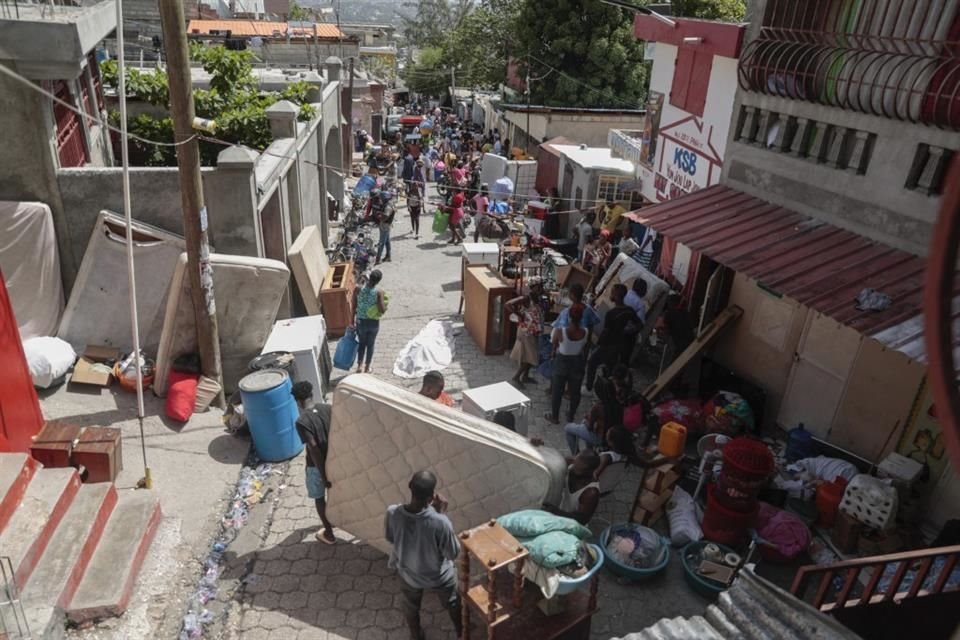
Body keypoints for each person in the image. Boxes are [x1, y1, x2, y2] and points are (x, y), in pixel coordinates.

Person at [385, 471, 463, 640]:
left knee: (410, 607)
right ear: (431, 497)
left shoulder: (392, 512)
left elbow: (391, 538)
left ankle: (416, 635)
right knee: (453, 602)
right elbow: (452, 553)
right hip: (438, 577)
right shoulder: (440, 522)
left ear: (409, 486)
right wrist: (439, 513)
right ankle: (462, 632)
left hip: (408, 573)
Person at [292, 381, 336, 544]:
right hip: (334, 459)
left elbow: (313, 449)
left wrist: (323, 476)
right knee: (337, 493)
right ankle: (339, 520)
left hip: (317, 467)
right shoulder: (327, 408)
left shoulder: (302, 421)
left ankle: (329, 534)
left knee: (319, 498)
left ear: (297, 401)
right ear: (311, 394)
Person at [586, 284, 638, 391]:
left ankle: (588, 387)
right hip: (619, 346)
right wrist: (627, 332)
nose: (611, 294)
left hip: (608, 345)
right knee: (610, 368)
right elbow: (639, 324)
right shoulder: (629, 310)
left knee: (592, 362)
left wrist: (598, 343)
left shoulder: (612, 313)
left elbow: (606, 331)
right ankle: (611, 388)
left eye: (612, 292)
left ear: (616, 295)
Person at [545, 303, 588, 425]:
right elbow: (584, 346)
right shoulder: (585, 332)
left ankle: (555, 416)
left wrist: (554, 352)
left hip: (562, 361)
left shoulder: (560, 331)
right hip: (577, 362)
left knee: (557, 390)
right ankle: (571, 415)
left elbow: (553, 342)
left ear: (569, 316)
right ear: (581, 317)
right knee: (575, 392)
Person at [543, 449, 602, 525]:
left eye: (579, 469)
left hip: (572, 523)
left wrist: (556, 511)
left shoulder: (591, 493)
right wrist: (539, 448)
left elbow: (582, 520)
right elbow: (552, 462)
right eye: (575, 463)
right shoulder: (572, 464)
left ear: (590, 471)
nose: (574, 468)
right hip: (558, 511)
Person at [506, 278, 544, 388]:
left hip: (533, 331)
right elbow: (508, 304)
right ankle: (517, 377)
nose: (541, 289)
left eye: (541, 286)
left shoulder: (537, 298)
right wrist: (519, 315)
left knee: (530, 355)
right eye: (539, 287)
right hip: (526, 332)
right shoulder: (526, 298)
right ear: (533, 287)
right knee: (530, 356)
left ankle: (525, 376)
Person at [352, 269, 387, 373]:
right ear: (378, 281)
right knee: (370, 344)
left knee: (361, 343)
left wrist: (351, 321)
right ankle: (367, 368)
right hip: (373, 323)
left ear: (369, 276)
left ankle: (359, 366)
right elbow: (382, 309)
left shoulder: (358, 289)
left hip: (360, 321)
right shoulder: (379, 292)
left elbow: (353, 306)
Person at [375, 195, 396, 264]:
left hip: (385, 225)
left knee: (381, 242)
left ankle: (378, 259)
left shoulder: (388, 207)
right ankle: (388, 256)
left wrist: (379, 217)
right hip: (387, 225)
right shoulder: (390, 203)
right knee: (387, 241)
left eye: (381, 199)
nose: (380, 200)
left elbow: (386, 216)